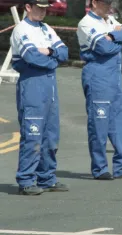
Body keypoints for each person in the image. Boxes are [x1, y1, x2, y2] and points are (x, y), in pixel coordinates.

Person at [10, 0, 69, 195]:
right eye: (39, 7)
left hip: (50, 86)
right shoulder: (21, 29)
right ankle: (26, 180)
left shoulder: (47, 29)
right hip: (32, 84)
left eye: (45, 7)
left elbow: (64, 52)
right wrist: (52, 59)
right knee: (32, 134)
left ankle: (47, 178)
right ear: (28, 7)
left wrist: (50, 51)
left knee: (51, 136)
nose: (43, 11)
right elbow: (31, 57)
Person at [76, 0, 122, 180]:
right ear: (94, 3)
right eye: (105, 3)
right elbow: (103, 47)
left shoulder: (110, 20)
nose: (109, 6)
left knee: (119, 120)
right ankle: (100, 167)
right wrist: (116, 39)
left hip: (114, 76)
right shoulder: (86, 23)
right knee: (99, 122)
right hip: (98, 74)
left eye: (110, 3)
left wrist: (111, 37)